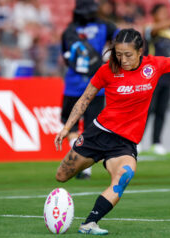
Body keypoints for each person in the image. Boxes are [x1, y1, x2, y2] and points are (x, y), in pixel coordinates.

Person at [54, 28, 170, 235]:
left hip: (124, 143)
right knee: (61, 176)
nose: (122, 59)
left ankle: (89, 223)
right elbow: (85, 99)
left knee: (124, 176)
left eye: (128, 55)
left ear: (140, 51)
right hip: (98, 134)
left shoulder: (154, 65)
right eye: (118, 54)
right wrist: (67, 128)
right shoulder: (107, 70)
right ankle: (56, 206)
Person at [60, 0, 118, 179]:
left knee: (72, 125)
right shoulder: (104, 26)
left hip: (76, 85)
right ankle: (84, 166)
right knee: (90, 127)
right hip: (93, 85)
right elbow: (121, 39)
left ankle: (78, 162)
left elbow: (65, 57)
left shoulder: (69, 30)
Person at [143, 3, 170, 155]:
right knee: (147, 110)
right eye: (161, 12)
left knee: (161, 111)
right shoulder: (151, 28)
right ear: (154, 14)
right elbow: (153, 31)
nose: (165, 15)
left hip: (168, 76)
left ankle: (156, 142)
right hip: (152, 75)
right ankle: (137, 140)